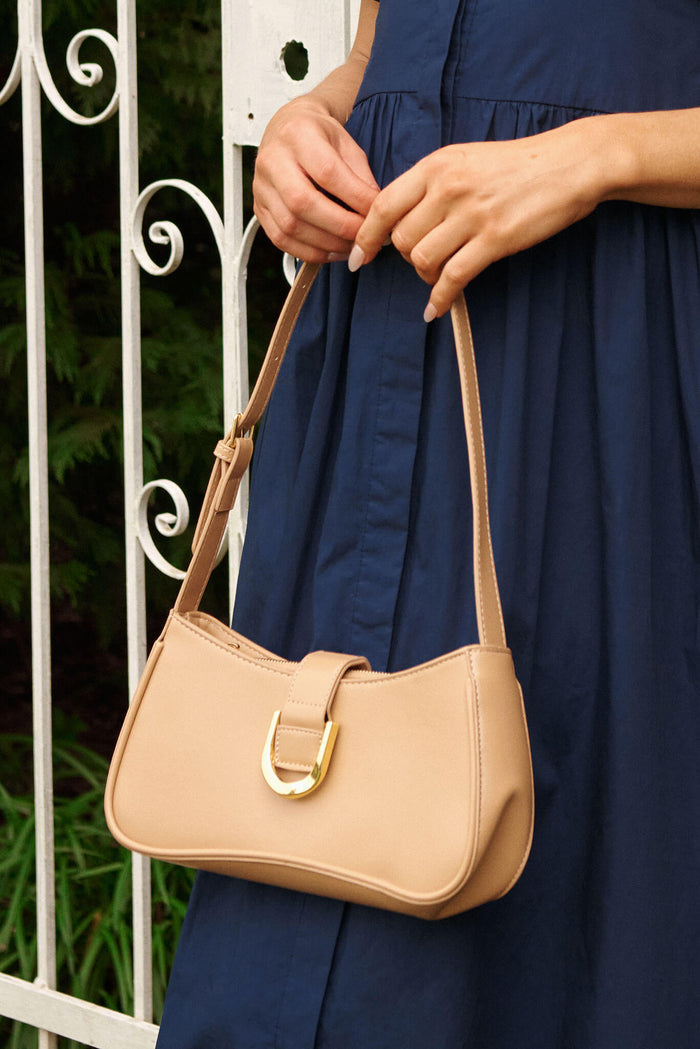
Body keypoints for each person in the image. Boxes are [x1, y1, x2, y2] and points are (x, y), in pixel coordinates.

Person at [156, 2, 700, 1046]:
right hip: (383, 365)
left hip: (616, 378)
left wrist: (596, 155)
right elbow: (379, 46)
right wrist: (311, 124)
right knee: (316, 841)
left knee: (594, 905)